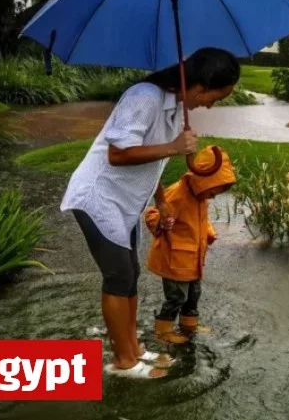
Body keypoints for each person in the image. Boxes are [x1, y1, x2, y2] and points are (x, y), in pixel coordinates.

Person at [61, 48, 240, 379]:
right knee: (119, 277)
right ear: (201, 85)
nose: (212, 104)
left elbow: (152, 160)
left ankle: (133, 349)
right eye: (217, 96)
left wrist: (161, 199)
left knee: (130, 274)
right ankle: (123, 362)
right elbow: (118, 153)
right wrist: (174, 147)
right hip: (98, 197)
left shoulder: (173, 110)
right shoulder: (144, 96)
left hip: (127, 202)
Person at [145, 145, 236, 344]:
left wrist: (209, 232)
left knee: (194, 295)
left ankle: (188, 324)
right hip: (175, 260)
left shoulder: (199, 197)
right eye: (213, 191)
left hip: (192, 261)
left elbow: (200, 221)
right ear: (204, 181)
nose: (213, 196)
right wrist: (162, 221)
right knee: (177, 297)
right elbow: (152, 214)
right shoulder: (178, 194)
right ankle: (163, 330)